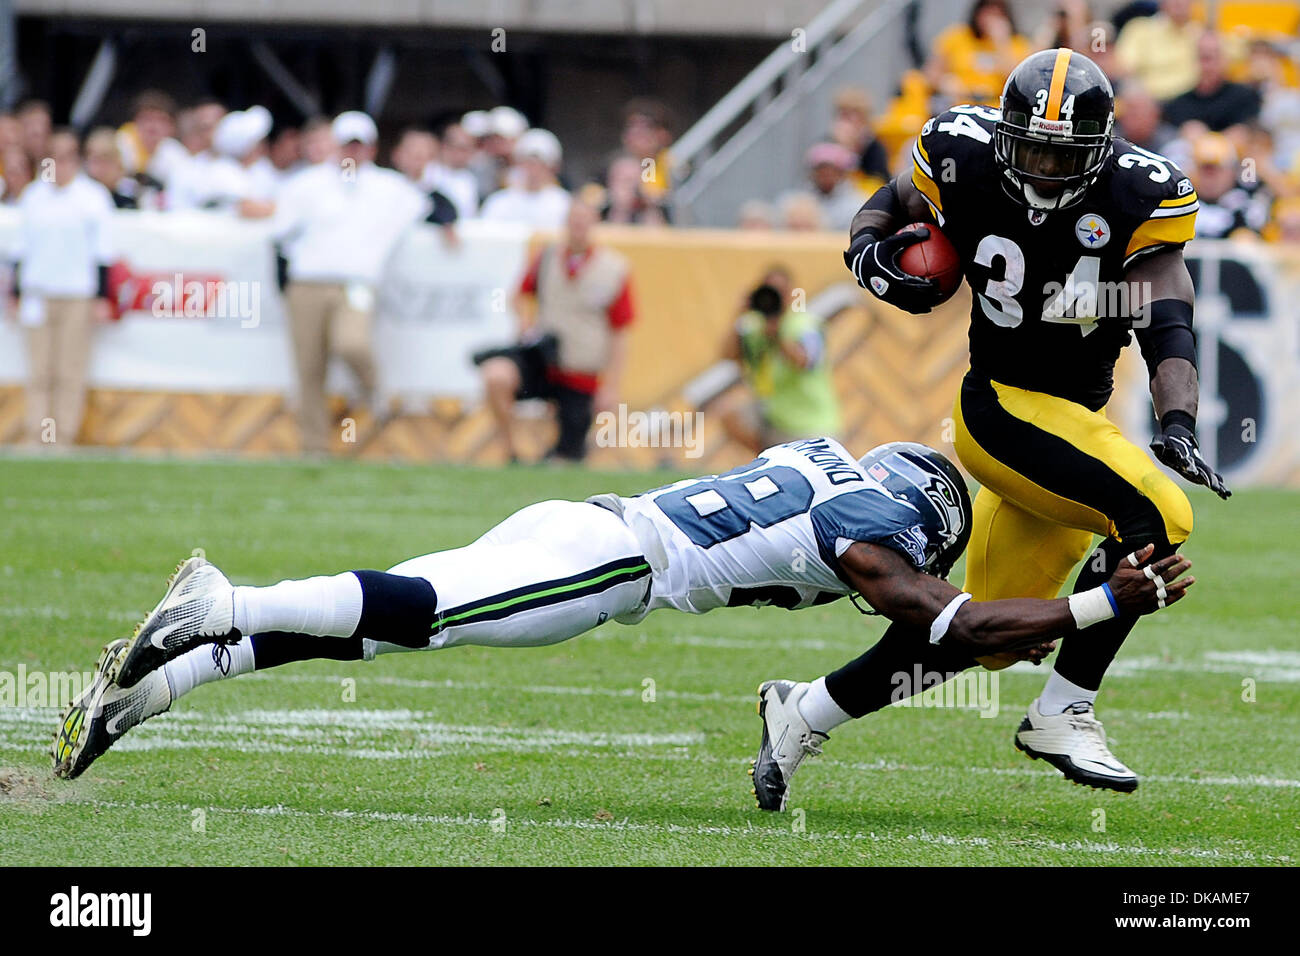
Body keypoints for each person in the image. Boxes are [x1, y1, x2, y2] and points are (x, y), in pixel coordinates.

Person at [51, 437, 1191, 783]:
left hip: (586, 521)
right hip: (613, 561)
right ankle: (221, 597)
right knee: (424, 605)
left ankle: (164, 678)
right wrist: (1099, 602)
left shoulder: (832, 460)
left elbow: (925, 624)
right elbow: (939, 624)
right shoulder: (883, 520)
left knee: (392, 617)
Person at [843, 48, 1230, 793]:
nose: (1045, 168)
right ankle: (1066, 710)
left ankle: (807, 710)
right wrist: (867, 254)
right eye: (1031, 149)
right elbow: (889, 206)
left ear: (1101, 149)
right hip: (998, 405)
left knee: (989, 634)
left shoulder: (1138, 191)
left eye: (1064, 155)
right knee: (1158, 513)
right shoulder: (958, 150)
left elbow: (1166, 320)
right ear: (1004, 135)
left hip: (1069, 418)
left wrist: (1177, 420)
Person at [271, 111, 429, 454]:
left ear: (371, 149)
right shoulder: (305, 184)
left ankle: (377, 395)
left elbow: (433, 205)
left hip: (356, 283)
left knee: (351, 343)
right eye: (347, 145)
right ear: (335, 146)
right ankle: (314, 447)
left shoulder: (391, 187)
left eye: (360, 146)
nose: (353, 153)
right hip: (307, 282)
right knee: (309, 369)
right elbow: (279, 235)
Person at [478, 195, 633, 462]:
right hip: (543, 362)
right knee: (496, 375)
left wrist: (612, 386)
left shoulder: (614, 269)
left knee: (567, 456)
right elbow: (519, 295)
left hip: (580, 371)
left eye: (584, 221)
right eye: (573, 221)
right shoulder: (547, 257)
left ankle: (561, 452)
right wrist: (525, 324)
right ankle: (511, 449)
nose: (578, 228)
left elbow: (620, 331)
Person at [11, 128, 115, 445]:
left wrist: (100, 296)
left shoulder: (92, 197)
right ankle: (38, 435)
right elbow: (20, 249)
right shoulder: (34, 196)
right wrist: (16, 292)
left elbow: (102, 252)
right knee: (40, 371)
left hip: (76, 295)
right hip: (39, 293)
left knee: (69, 371)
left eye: (66, 157)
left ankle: (62, 438)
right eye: (53, 156)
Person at [712, 266, 841, 453]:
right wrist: (738, 315)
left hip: (811, 426)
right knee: (728, 410)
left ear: (790, 295)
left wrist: (777, 335)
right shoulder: (754, 327)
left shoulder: (805, 325)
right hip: (773, 416)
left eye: (778, 293)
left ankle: (773, 459)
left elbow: (804, 362)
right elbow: (727, 355)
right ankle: (764, 457)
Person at [478, 128, 571, 229]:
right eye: (528, 162)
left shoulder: (564, 203)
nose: (534, 170)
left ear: (553, 167)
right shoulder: (499, 202)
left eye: (540, 164)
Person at [1113, 0, 1202, 102]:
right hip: (1148, 102)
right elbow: (1122, 68)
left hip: (1190, 103)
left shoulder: (1200, 36)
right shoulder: (1139, 29)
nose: (1179, 3)